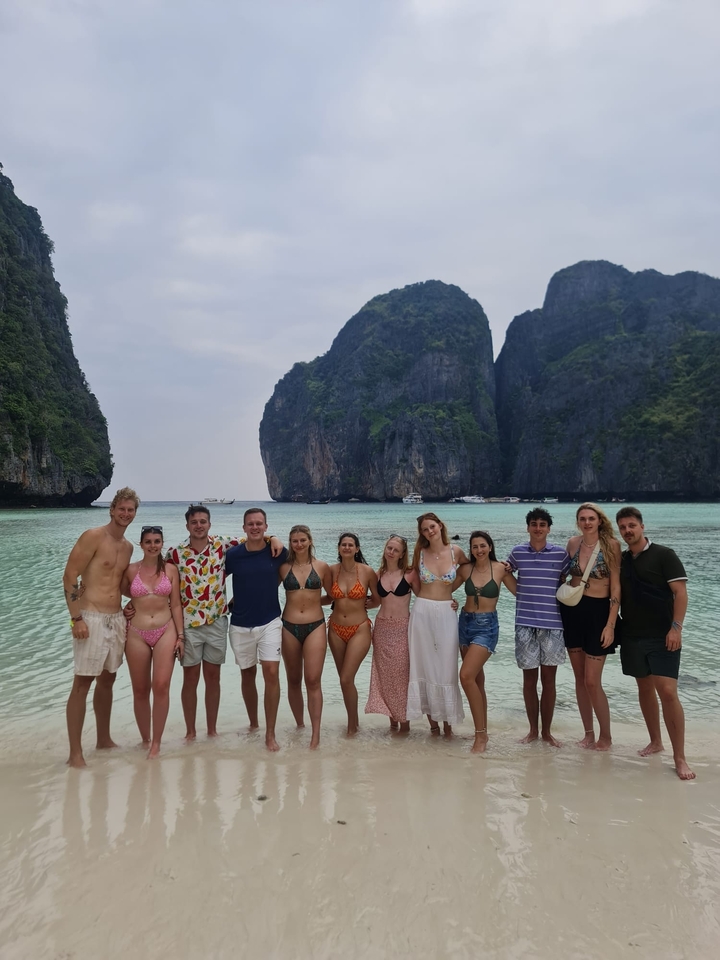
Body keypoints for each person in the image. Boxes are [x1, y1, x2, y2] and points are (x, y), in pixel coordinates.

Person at [158, 505, 281, 741]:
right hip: (188, 625)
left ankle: (212, 731)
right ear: (187, 525)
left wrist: (273, 537)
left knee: (213, 678)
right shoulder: (175, 553)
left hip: (216, 622)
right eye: (194, 522)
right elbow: (159, 581)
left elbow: (253, 537)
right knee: (190, 679)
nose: (199, 526)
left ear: (209, 524)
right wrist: (138, 604)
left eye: (203, 521)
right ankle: (190, 732)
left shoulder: (222, 545)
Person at [616, 507, 695, 781]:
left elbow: (680, 593)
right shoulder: (622, 560)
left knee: (668, 692)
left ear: (642, 526)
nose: (627, 531)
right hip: (632, 635)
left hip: (663, 635)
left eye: (631, 525)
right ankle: (655, 741)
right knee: (644, 688)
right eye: (622, 527)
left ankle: (679, 757)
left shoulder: (664, 555)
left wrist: (676, 628)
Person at [63, 486, 139, 768]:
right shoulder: (93, 536)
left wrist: (135, 602)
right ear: (112, 509)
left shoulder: (128, 547)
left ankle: (103, 739)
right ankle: (75, 753)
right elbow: (70, 575)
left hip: (116, 618)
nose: (125, 514)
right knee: (82, 682)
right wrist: (76, 618)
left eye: (130, 510)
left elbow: (118, 584)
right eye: (122, 509)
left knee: (108, 679)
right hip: (90, 617)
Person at [225, 508, 288, 752]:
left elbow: (292, 569)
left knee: (271, 673)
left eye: (259, 523)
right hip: (240, 623)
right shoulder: (233, 555)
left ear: (266, 527)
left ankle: (270, 734)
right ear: (244, 528)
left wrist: (275, 539)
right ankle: (253, 723)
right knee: (247, 674)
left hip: (270, 621)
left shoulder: (277, 552)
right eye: (250, 524)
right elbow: (213, 580)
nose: (255, 527)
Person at [559, 503, 621, 750]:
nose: (587, 523)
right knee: (580, 678)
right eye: (582, 519)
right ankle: (588, 733)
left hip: (598, 613)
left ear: (599, 521)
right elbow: (562, 574)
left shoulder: (611, 545)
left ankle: (606, 736)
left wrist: (611, 625)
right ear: (578, 522)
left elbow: (616, 587)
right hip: (572, 612)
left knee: (592, 681)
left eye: (591, 518)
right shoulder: (573, 543)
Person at [506, 508, 570, 747]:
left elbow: (571, 581)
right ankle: (532, 730)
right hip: (524, 624)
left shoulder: (561, 555)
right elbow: (503, 571)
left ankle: (547, 733)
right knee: (529, 681)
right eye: (534, 524)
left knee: (549, 681)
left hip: (553, 625)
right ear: (528, 527)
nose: (538, 528)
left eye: (543, 524)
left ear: (549, 529)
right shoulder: (517, 552)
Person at [121, 525, 184, 758]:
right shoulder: (130, 570)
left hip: (166, 630)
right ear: (141, 544)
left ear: (162, 543)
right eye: (148, 541)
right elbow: (118, 592)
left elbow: (175, 604)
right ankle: (145, 739)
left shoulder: (171, 570)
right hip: (136, 632)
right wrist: (124, 609)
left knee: (161, 685)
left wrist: (181, 636)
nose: (153, 545)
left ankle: (156, 743)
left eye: (157, 541)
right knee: (140, 689)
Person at [407, 513, 469, 736]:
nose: (429, 532)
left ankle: (448, 727)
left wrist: (455, 594)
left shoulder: (456, 551)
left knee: (446, 668)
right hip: (421, 612)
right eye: (425, 529)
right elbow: (410, 578)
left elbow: (472, 570)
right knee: (423, 666)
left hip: (446, 613)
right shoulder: (419, 552)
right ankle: (433, 727)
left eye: (432, 526)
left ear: (440, 526)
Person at [457, 531, 516, 753]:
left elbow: (520, 591)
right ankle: (482, 729)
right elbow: (442, 588)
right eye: (474, 547)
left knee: (466, 676)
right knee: (476, 681)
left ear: (490, 547)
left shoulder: (500, 569)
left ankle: (480, 736)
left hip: (486, 627)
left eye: (482, 546)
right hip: (464, 624)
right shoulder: (465, 569)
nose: (479, 550)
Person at [279, 525, 332, 749]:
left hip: (315, 626)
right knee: (293, 680)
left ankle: (315, 734)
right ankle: (300, 725)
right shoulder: (283, 567)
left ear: (310, 541)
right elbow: (264, 590)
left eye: (302, 540)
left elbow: (332, 596)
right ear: (290, 543)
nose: (299, 544)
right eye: (294, 541)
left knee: (312, 680)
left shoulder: (322, 567)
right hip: (289, 626)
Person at [326, 533, 379, 736]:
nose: (347, 547)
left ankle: (351, 728)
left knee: (346, 678)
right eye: (343, 544)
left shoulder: (367, 571)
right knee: (344, 679)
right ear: (339, 548)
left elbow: (377, 599)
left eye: (351, 545)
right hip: (336, 629)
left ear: (357, 548)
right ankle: (354, 722)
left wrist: (363, 606)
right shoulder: (331, 570)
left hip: (359, 629)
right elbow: (328, 596)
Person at [365, 535, 419, 733]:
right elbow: (375, 602)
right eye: (389, 548)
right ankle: (392, 724)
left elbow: (425, 597)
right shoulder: (377, 574)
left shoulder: (410, 574)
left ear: (402, 553)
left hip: (403, 628)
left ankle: (404, 725)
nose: (391, 552)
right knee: (386, 677)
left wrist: (449, 602)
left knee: (402, 677)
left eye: (396, 550)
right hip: (381, 629)